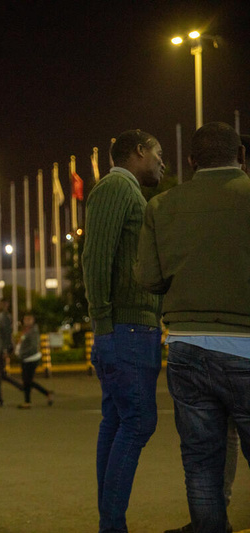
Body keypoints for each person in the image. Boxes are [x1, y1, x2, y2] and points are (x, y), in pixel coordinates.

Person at [136, 122, 250, 533]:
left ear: (190, 161)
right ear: (240, 157)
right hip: (246, 347)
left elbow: (149, 279)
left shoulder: (162, 207)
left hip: (188, 349)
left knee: (202, 463)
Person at [81, 129, 164, 533]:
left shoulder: (130, 192)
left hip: (133, 330)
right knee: (139, 422)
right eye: (158, 154)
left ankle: (110, 524)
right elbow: (95, 259)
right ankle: (112, 525)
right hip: (126, 331)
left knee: (116, 421)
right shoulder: (115, 187)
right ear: (139, 152)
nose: (162, 163)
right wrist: (104, 327)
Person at [14, 311, 53, 409]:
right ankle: (29, 400)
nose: (26, 321)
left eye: (29, 319)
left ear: (33, 320)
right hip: (25, 358)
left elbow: (33, 346)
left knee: (28, 380)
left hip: (31, 358)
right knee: (27, 381)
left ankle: (41, 396)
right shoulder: (26, 330)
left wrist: (22, 353)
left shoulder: (33, 331)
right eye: (25, 319)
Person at [0, 298, 22, 407]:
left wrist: (6, 350)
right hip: (0, 349)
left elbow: (7, 334)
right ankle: (21, 387)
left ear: (4, 305)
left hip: (2, 350)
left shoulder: (5, 317)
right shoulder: (2, 316)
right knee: (2, 375)